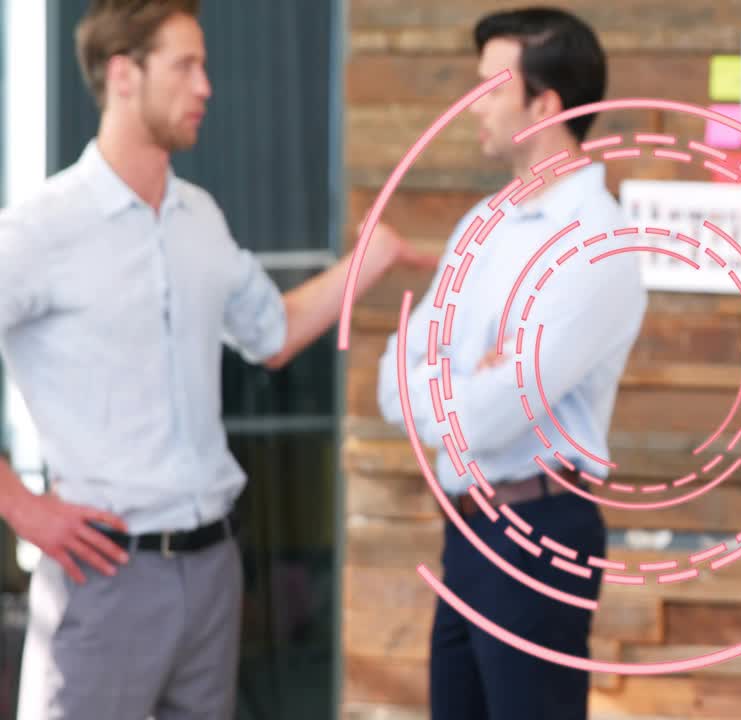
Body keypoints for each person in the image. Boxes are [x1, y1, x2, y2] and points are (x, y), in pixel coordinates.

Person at [0, 1, 432, 717]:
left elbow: (274, 331)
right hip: (105, 575)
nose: (206, 87)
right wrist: (22, 508)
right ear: (123, 75)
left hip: (212, 572)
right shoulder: (42, 229)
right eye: (186, 65)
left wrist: (371, 260)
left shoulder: (201, 216)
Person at [374, 7, 646, 720]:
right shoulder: (484, 225)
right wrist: (466, 381)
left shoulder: (596, 241)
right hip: (467, 531)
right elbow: (388, 380)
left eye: (490, 88)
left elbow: (487, 419)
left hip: (540, 533)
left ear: (545, 105)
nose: (473, 107)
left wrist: (448, 381)